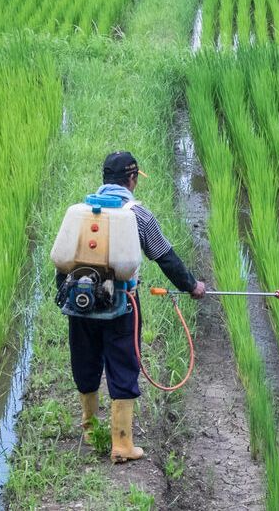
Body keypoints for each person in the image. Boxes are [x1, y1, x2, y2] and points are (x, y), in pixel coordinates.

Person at [66, 151, 206, 464]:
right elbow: (165, 256)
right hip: (122, 304)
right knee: (124, 363)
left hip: (80, 302)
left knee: (85, 361)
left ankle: (89, 431)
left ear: (104, 178)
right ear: (132, 179)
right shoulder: (138, 214)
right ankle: (122, 445)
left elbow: (63, 262)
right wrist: (191, 286)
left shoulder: (81, 211)